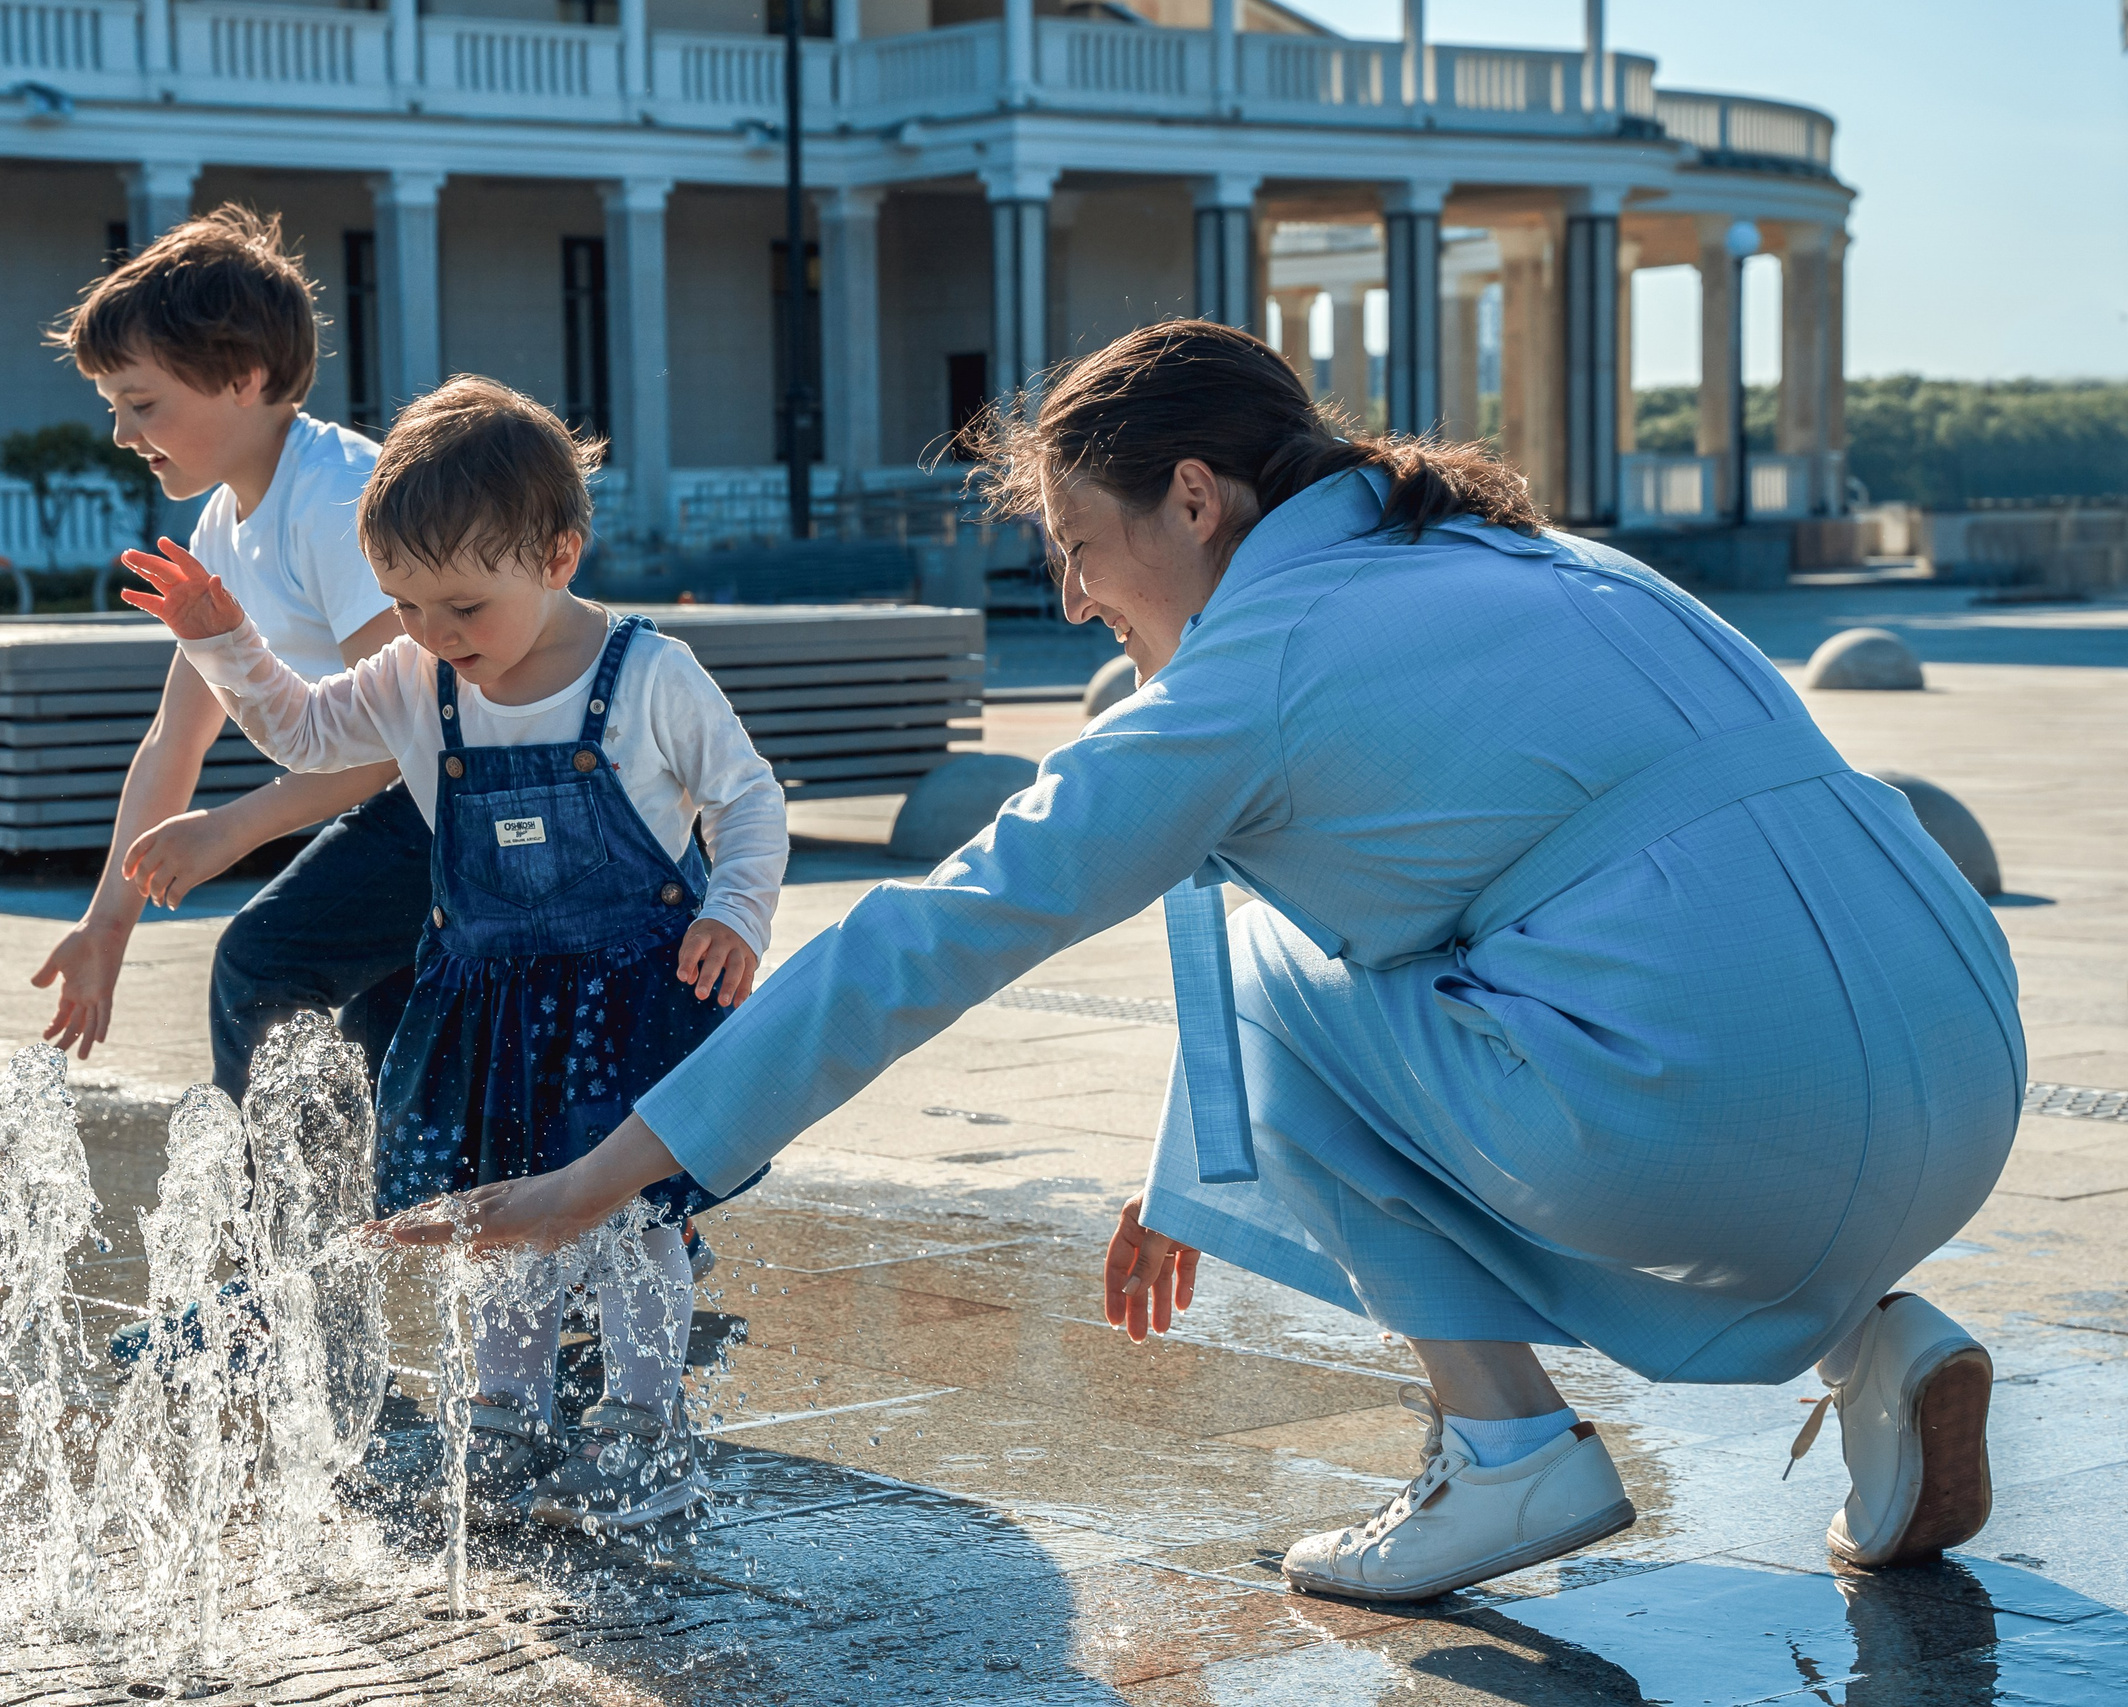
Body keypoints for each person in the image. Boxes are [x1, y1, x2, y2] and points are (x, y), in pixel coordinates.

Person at [388, 320, 2022, 1601]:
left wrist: (602, 1172)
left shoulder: (1251, 673)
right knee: (1524, 962)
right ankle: (1871, 1334)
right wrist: (1198, 1164)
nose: (1086, 606)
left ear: (1195, 496)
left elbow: (935, 927)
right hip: (1966, 1067)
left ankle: (1510, 1445)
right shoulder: (1539, 552)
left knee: (1249, 951)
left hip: (1716, 1124)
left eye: (1084, 553)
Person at [122, 375, 789, 1532]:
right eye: (407, 606)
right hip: (487, 1002)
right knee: (494, 1218)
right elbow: (302, 728)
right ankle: (504, 1415)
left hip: (630, 997)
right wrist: (224, 641)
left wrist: (733, 912)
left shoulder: (647, 676)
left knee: (631, 1217)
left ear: (557, 553)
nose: (434, 636)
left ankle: (643, 1430)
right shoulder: (418, 675)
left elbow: (747, 801)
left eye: (463, 609)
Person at [34, 205, 424, 1101]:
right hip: (408, 817)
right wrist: (107, 926)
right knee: (390, 1053)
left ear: (244, 377)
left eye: (142, 404)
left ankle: (265, 1237)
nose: (125, 435)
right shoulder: (225, 523)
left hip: (467, 810)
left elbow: (411, 727)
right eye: (114, 408)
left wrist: (232, 827)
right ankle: (344, 1232)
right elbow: (178, 736)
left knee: (261, 960)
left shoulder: (337, 500)